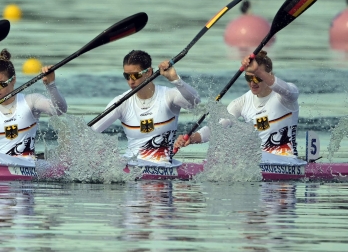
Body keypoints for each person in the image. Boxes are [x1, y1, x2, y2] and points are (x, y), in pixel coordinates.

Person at [174, 51, 304, 166]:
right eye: (249, 77)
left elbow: (290, 91)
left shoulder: (285, 97)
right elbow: (218, 127)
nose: (253, 82)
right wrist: (192, 138)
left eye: (257, 77)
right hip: (258, 163)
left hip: (287, 161)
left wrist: (258, 70)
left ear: (268, 74)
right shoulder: (242, 102)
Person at [90, 50, 201, 167]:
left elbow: (195, 102)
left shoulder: (169, 96)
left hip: (163, 166)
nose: (130, 81)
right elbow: (91, 131)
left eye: (135, 75)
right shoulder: (121, 102)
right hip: (131, 165)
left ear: (149, 72)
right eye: (126, 76)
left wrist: (175, 79)